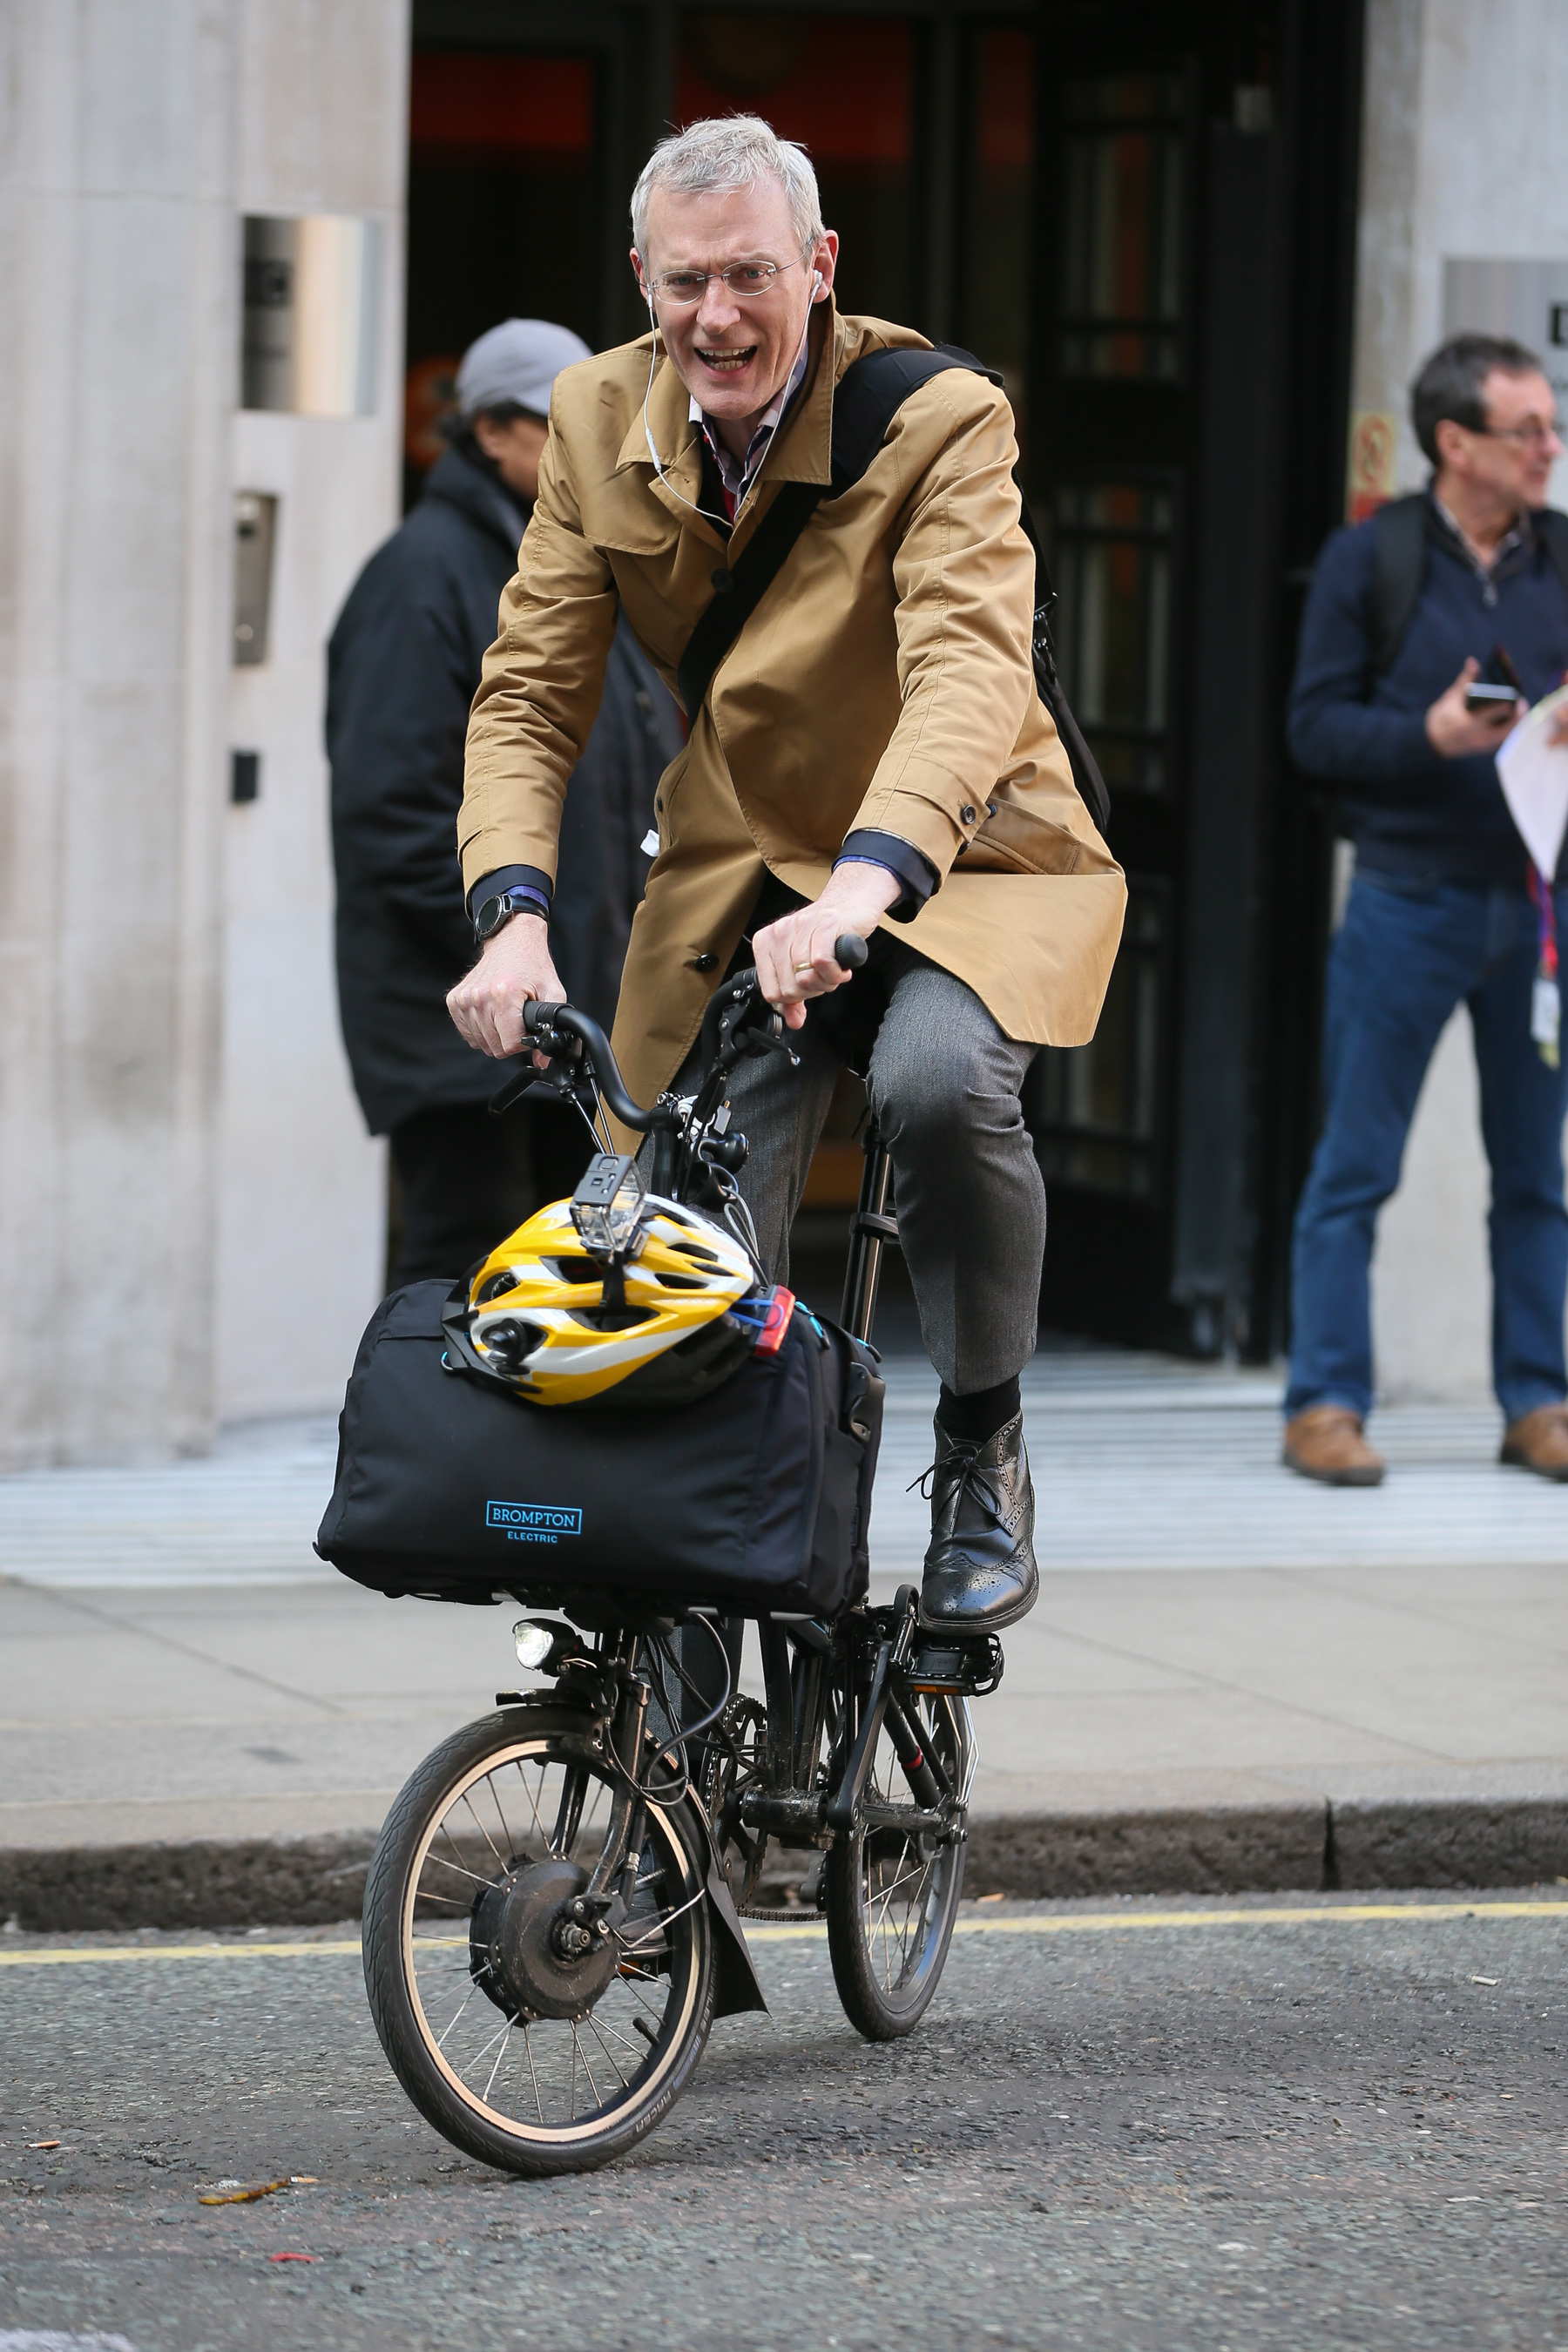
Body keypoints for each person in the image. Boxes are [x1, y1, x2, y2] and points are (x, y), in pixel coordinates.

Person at [446, 116, 1124, 1632]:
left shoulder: (940, 418)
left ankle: (981, 1452)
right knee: (651, 1209)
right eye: (685, 282)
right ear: (642, 277)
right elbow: (530, 696)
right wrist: (512, 915)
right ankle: (688, 1563)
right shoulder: (590, 415)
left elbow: (964, 676)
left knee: (939, 1085)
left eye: (751, 274)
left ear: (818, 269)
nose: (717, 317)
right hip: (747, 864)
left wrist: (864, 888)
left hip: (967, 857)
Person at [328, 319, 684, 1288]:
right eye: (561, 428)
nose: (594, 450)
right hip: (469, 1027)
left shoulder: (572, 562)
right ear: (491, 431)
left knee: (568, 1292)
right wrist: (510, 955)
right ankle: (417, 1450)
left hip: (570, 1020)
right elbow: (392, 815)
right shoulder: (421, 578)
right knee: (465, 1279)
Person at [1284, 332, 1568, 1484]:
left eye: (1551, 427)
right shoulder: (1374, 559)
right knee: (1357, 1163)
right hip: (1408, 901)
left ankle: (1539, 1401)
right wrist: (1429, 737)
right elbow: (1311, 730)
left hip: (1539, 909)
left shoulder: (1562, 556)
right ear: (1456, 444)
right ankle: (1326, 1404)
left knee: (1537, 1173)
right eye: (1528, 430)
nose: (1549, 449)